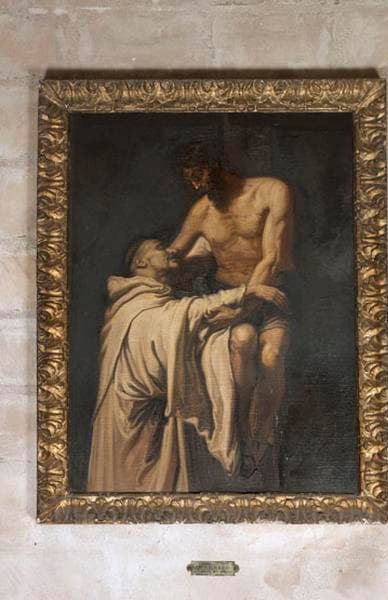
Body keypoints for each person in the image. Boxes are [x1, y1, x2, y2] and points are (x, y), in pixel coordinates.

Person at [87, 238, 286, 493]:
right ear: (140, 262)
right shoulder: (132, 307)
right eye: (160, 247)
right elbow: (172, 324)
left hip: (154, 423)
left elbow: (178, 321)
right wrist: (244, 292)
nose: (170, 250)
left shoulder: (157, 302)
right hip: (130, 431)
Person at [169, 143, 295, 475]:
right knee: (242, 340)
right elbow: (173, 257)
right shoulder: (201, 212)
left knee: (272, 356)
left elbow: (271, 259)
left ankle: (260, 435)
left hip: (269, 296)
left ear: (217, 165)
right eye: (189, 178)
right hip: (226, 298)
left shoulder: (270, 191)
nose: (196, 184)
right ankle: (241, 433)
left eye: (199, 174)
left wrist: (243, 308)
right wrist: (174, 263)